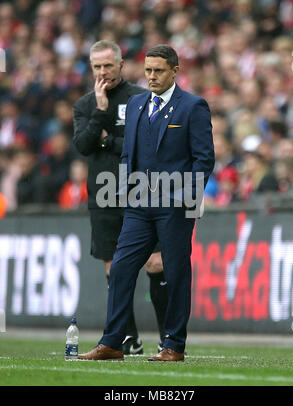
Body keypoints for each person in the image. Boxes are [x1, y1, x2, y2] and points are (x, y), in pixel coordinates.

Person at [78, 44, 215, 362]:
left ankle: (174, 345)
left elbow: (203, 159)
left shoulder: (193, 107)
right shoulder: (138, 104)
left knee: (176, 271)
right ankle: (113, 342)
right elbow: (129, 154)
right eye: (148, 70)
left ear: (175, 71)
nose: (151, 76)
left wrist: (187, 200)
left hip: (175, 204)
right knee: (122, 268)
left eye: (158, 71)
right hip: (138, 204)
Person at [73, 40, 168, 355]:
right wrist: (101, 113)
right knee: (116, 269)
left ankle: (169, 340)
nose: (103, 72)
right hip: (103, 195)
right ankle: (129, 339)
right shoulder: (86, 105)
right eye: (97, 66)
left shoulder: (141, 99)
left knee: (156, 263)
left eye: (108, 66)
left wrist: (108, 141)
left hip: (142, 190)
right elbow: (84, 145)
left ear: (121, 65)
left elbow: (147, 143)